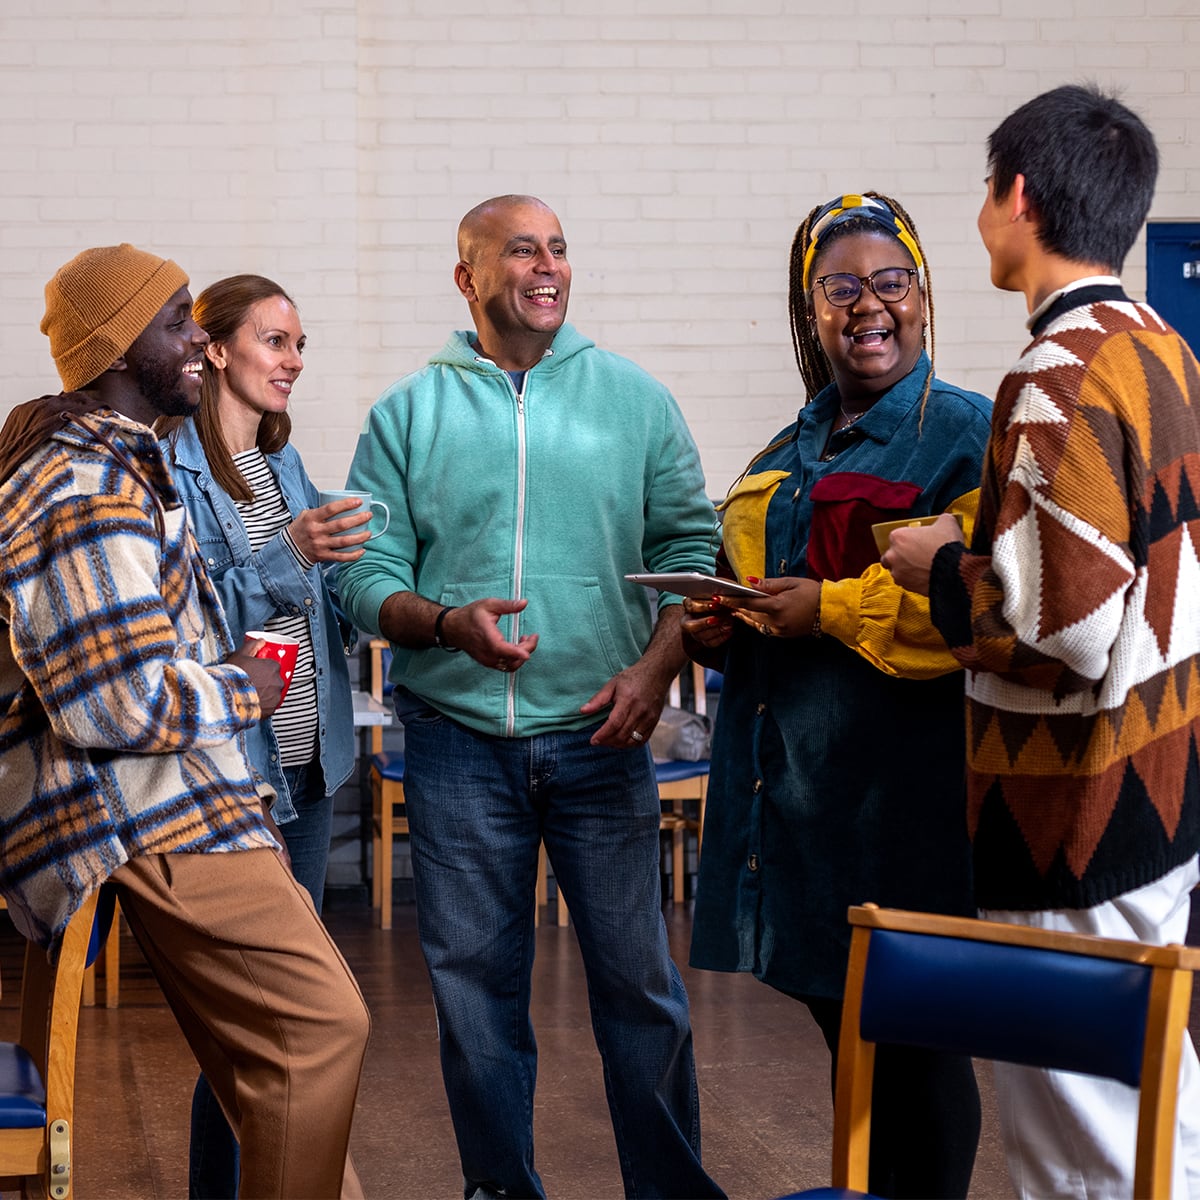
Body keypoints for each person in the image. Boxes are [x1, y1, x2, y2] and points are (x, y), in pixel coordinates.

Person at [335, 194, 725, 1200]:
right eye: (522, 251)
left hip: (603, 733)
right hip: (459, 743)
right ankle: (500, 1190)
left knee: (641, 991)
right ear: (468, 277)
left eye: (558, 248)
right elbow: (366, 577)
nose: (548, 265)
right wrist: (443, 622)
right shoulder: (407, 414)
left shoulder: (634, 401)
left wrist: (653, 672)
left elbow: (692, 556)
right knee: (476, 999)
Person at [882, 84, 1200, 1198]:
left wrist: (939, 569)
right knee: (1154, 1113)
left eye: (984, 187)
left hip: (1073, 805)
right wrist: (990, 543)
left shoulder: (1056, 371)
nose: (979, 211)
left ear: (1018, 196)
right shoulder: (1160, 346)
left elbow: (1061, 626)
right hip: (1157, 785)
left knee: (1078, 1151)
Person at [0, 244, 370, 1199]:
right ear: (120, 349)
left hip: (186, 795)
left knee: (282, 1062)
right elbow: (117, 701)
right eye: (176, 321)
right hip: (150, 808)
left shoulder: (120, 466)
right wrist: (244, 684)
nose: (197, 339)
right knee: (324, 1029)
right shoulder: (85, 484)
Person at [682, 193, 992, 1198]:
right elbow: (767, 607)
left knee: (920, 1051)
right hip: (798, 808)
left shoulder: (968, 438)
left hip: (903, 808)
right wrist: (723, 624)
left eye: (890, 282)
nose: (869, 306)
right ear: (809, 310)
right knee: (850, 1041)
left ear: (925, 294)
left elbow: (975, 613)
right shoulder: (783, 454)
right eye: (840, 288)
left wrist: (830, 607)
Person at [159, 274, 372, 1199]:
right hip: (235, 775)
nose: (293, 362)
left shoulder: (278, 466)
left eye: (298, 345)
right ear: (214, 348)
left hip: (306, 758)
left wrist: (364, 585)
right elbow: (192, 619)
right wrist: (294, 555)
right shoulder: (169, 465)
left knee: (280, 1028)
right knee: (257, 1024)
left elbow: (312, 610)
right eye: (275, 342)